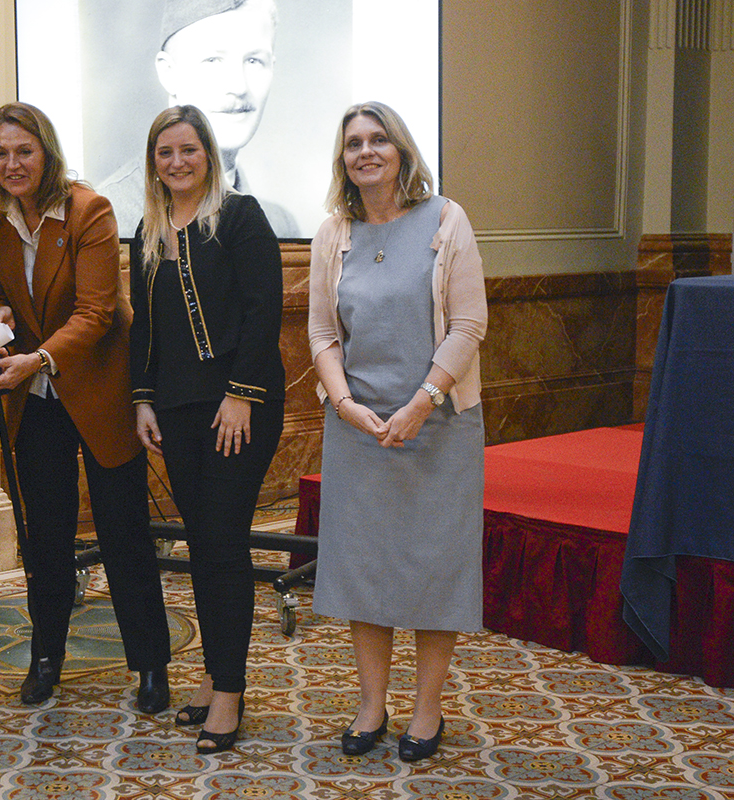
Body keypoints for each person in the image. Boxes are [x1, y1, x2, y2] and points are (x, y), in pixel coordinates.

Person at [0, 102, 173, 713]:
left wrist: (35, 359)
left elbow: (97, 312)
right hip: (35, 405)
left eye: (24, 151)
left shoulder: (89, 210)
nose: (13, 164)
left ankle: (150, 665)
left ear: (46, 153)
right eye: (2, 154)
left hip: (101, 393)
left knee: (124, 537)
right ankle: (45, 658)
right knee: (46, 540)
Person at [307, 101, 487, 762]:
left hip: (437, 427)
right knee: (366, 570)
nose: (366, 151)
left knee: (435, 570)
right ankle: (371, 704)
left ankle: (428, 709)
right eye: (353, 142)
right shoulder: (334, 232)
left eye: (379, 138)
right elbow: (323, 332)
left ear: (401, 150)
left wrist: (422, 400)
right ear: (343, 160)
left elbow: (469, 324)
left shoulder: (445, 218)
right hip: (359, 429)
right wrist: (344, 400)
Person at [129, 105, 285, 753]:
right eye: (165, 152)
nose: (177, 162)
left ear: (207, 153)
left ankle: (229, 692)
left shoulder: (241, 216)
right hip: (177, 410)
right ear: (153, 162)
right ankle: (216, 674)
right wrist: (142, 400)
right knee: (201, 544)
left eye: (188, 150)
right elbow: (144, 326)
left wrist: (242, 394)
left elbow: (263, 310)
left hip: (238, 408)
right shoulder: (150, 227)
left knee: (222, 545)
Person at [97, 0, 299, 239]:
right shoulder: (108, 214)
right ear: (168, 73)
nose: (239, 86)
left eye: (254, 61)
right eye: (213, 60)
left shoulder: (279, 224)